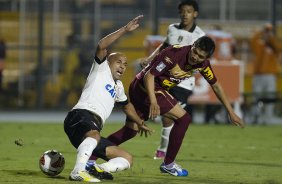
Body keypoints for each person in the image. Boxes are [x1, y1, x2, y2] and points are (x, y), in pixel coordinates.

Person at [107, 36, 245, 177]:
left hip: (140, 88)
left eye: (200, 56)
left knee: (131, 131)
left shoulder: (203, 65)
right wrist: (153, 101)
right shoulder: (174, 54)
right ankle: (168, 164)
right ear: (193, 45)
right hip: (148, 88)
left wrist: (231, 112)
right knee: (184, 119)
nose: (195, 58)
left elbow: (215, 85)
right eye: (195, 52)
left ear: (206, 58)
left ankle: (92, 154)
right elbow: (149, 76)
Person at [64, 15, 152, 182]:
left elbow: (127, 106)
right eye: (119, 62)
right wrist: (125, 29)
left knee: (126, 158)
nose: (122, 66)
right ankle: (77, 171)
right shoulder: (100, 68)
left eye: (125, 64)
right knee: (94, 135)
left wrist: (140, 123)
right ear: (108, 62)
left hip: (92, 130)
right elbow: (101, 45)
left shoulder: (118, 87)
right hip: (80, 116)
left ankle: (94, 169)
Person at [140, 0, 206, 159]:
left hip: (184, 82)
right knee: (166, 115)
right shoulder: (172, 29)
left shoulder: (200, 36)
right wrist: (150, 58)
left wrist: (185, 73)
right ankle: (163, 149)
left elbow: (200, 61)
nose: (185, 14)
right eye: (182, 11)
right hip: (165, 78)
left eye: (188, 11)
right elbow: (164, 46)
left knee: (169, 116)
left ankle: (163, 150)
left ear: (195, 14)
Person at [250, 23, 282, 124]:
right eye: (266, 31)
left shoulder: (275, 47)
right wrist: (262, 31)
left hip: (270, 76)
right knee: (256, 97)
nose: (267, 33)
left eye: (269, 31)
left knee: (270, 97)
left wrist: (270, 36)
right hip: (258, 76)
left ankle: (268, 118)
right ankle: (256, 118)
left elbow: (278, 47)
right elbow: (253, 40)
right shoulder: (259, 45)